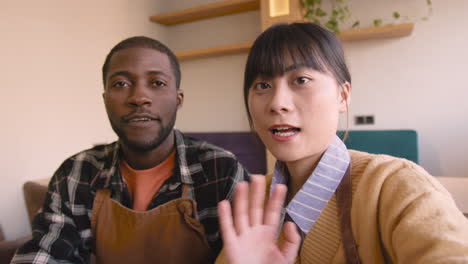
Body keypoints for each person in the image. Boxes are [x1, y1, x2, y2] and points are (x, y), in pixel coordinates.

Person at [216, 22, 468, 263]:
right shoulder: (254, 203)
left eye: (301, 80)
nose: (277, 103)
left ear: (343, 96)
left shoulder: (396, 185)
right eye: (262, 85)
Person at [12, 36, 249, 263]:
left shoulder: (220, 171)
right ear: (105, 99)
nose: (139, 98)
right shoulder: (77, 173)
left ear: (178, 99)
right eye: (121, 84)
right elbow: (48, 252)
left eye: (157, 83)